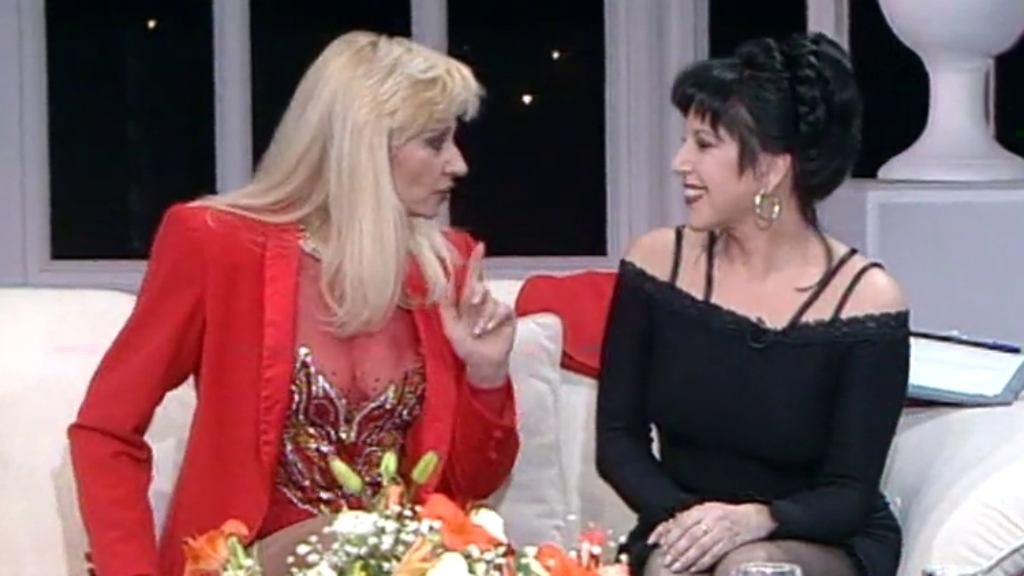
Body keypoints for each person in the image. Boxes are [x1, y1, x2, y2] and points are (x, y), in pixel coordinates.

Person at [69, 30, 520, 576]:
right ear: (364, 144)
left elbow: (470, 486)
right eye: (434, 142)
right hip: (254, 559)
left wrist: (487, 375)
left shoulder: (446, 267)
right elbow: (106, 431)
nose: (458, 164)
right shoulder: (215, 243)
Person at [595, 32, 909, 576]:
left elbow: (849, 493)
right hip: (682, 524)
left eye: (704, 144)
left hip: (815, 538)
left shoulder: (864, 298)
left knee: (751, 570)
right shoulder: (657, 262)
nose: (680, 162)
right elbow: (618, 442)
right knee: (678, 566)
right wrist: (696, 525)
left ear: (770, 169)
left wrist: (756, 520)